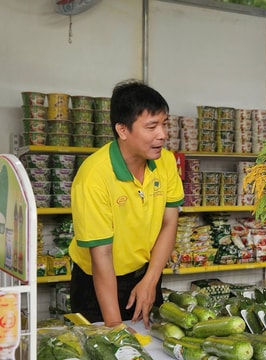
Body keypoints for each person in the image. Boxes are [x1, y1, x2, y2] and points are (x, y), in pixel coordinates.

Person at [68, 80, 184, 329]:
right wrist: (114, 326)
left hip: (145, 275)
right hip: (97, 283)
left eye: (164, 124)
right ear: (122, 130)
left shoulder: (165, 161)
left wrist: (150, 280)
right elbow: (102, 256)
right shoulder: (93, 177)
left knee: (151, 344)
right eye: (151, 126)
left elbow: (169, 222)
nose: (162, 135)